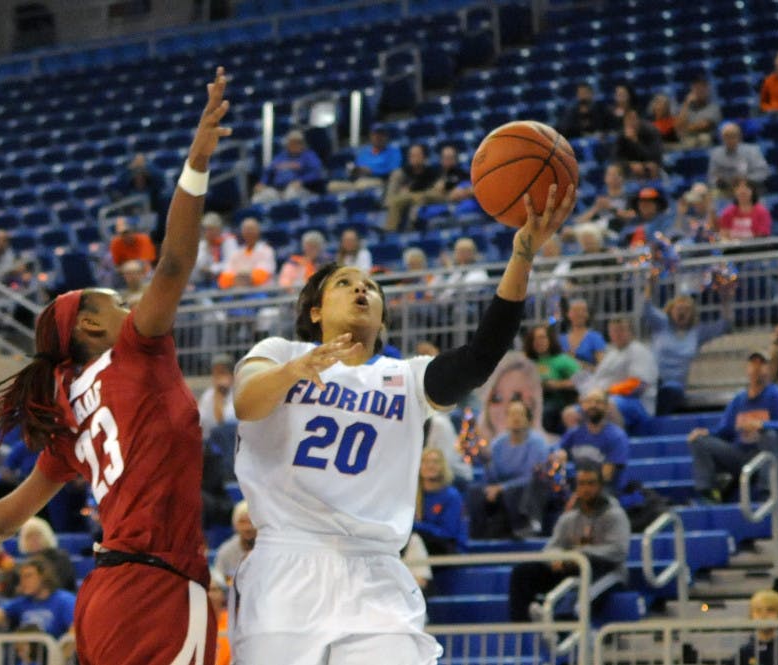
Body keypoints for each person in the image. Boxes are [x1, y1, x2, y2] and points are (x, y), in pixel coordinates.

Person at [0, 67, 231, 665]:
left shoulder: (69, 406)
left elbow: (8, 517)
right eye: (116, 302)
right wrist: (196, 165)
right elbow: (172, 265)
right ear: (92, 327)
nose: (131, 305)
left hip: (106, 597)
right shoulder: (134, 352)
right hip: (157, 587)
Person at [230, 180, 576, 663]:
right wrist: (295, 372)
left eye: (371, 287)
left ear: (383, 318)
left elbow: (478, 359)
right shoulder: (280, 353)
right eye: (345, 283)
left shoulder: (406, 378)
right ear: (315, 311)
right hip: (289, 562)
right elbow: (245, 404)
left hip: (375, 572)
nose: (361, 289)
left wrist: (521, 255)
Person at [507, 461, 630, 622]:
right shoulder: (568, 518)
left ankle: (562, 630)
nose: (586, 489)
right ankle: (522, 627)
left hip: (605, 571)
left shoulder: (615, 516)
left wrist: (579, 554)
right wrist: (558, 559)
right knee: (523, 572)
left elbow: (618, 551)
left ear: (600, 486)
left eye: (591, 483)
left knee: (580, 604)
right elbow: (551, 548)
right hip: (572, 567)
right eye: (582, 484)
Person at [687, 351, 778, 503]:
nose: (757, 368)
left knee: (769, 435)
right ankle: (708, 493)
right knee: (699, 440)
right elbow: (725, 431)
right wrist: (706, 432)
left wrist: (761, 425)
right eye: (753, 363)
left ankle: (766, 495)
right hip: (743, 455)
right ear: (747, 368)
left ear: (771, 369)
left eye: (762, 363)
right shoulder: (739, 400)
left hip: (774, 456)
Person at [643, 280, 733, 414]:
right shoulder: (662, 324)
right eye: (679, 309)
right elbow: (646, 308)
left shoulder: (697, 333)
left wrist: (725, 301)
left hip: (674, 385)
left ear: (692, 314)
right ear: (671, 310)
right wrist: (650, 284)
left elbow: (724, 325)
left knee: (670, 391)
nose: (682, 313)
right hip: (653, 379)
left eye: (686, 310)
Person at [467, 400, 549, 539]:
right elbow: (492, 475)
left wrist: (502, 487)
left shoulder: (537, 443)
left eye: (520, 414)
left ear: (528, 420)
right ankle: (475, 537)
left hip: (527, 490)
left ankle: (524, 528)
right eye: (511, 414)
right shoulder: (498, 443)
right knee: (475, 491)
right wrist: (485, 461)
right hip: (502, 490)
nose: (515, 418)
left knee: (515, 491)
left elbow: (532, 477)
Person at [579, 317, 658, 432]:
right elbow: (596, 380)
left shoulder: (639, 351)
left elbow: (639, 384)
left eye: (621, 330)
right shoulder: (610, 354)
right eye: (613, 331)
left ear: (631, 332)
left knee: (607, 405)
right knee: (571, 413)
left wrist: (606, 392)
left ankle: (617, 441)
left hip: (637, 404)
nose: (617, 334)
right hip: (602, 397)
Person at [0, 558, 76, 639]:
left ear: (44, 576)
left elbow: (75, 632)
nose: (23, 582)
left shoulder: (64, 600)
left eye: (28, 576)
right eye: (21, 577)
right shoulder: (22, 602)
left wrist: (59, 656)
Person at [557, 389, 630, 492]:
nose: (593, 405)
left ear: (607, 407)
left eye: (598, 402)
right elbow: (557, 457)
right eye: (588, 402)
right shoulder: (573, 433)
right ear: (582, 406)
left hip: (605, 491)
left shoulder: (617, 436)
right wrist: (560, 455)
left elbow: (606, 477)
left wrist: (577, 494)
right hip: (577, 487)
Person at [523, 324, 580, 433]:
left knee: (542, 412)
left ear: (550, 339)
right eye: (534, 339)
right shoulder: (527, 362)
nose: (538, 341)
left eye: (542, 337)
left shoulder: (562, 360)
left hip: (555, 402)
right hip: (530, 401)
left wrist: (557, 384)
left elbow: (583, 380)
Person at [477, 351, 545, 441]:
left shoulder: (548, 448)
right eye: (497, 398)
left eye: (516, 398)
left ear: (533, 403)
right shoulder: (473, 448)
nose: (505, 408)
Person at [413, 448, 465, 555]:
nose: (430, 466)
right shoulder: (413, 494)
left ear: (443, 467)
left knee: (414, 541)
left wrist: (416, 526)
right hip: (422, 545)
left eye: (435, 462)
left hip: (446, 548)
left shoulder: (451, 496)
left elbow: (448, 533)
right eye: (425, 462)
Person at [251, 130, 324, 204]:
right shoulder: (281, 156)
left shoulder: (309, 155)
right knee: (258, 198)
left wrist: (301, 181)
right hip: (277, 189)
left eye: (297, 143)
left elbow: (316, 173)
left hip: (301, 188)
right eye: (291, 143)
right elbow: (268, 172)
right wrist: (262, 183)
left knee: (291, 194)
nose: (294, 145)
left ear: (302, 144)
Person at [327, 124, 403, 193]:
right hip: (357, 181)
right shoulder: (363, 152)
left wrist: (371, 171)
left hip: (380, 181)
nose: (378, 137)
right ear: (371, 136)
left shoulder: (393, 151)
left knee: (362, 184)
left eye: (381, 135)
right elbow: (355, 169)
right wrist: (353, 170)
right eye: (375, 135)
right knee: (332, 186)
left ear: (386, 137)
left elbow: (394, 170)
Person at [384, 144, 442, 231]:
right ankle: (389, 232)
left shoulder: (432, 172)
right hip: (406, 199)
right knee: (394, 202)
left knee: (421, 199)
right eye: (412, 155)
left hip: (424, 198)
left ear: (424, 157)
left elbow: (437, 191)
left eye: (417, 155)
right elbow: (390, 198)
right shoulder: (402, 173)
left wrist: (410, 191)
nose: (414, 158)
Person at [731, 589, 778, 665]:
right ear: (751, 615)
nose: (763, 615)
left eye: (770, 610)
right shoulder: (745, 650)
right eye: (758, 610)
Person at [707, 123, 771, 196]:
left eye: (733, 136)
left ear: (739, 137)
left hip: (750, 187)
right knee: (712, 195)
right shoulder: (715, 154)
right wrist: (718, 182)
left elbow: (764, 173)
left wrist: (745, 179)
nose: (729, 139)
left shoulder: (752, 151)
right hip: (726, 190)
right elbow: (711, 177)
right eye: (726, 136)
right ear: (722, 138)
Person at [572, 163, 634, 238]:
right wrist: (596, 208)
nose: (613, 177)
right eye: (609, 174)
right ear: (605, 178)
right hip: (597, 227)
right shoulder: (600, 196)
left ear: (622, 178)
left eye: (615, 174)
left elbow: (631, 216)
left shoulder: (629, 196)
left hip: (615, 230)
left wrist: (610, 208)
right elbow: (579, 221)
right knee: (568, 232)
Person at [18, 516, 76, 592]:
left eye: (37, 536)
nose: (33, 541)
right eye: (29, 537)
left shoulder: (60, 558)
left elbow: (63, 583)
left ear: (46, 536)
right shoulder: (27, 562)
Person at [217, 217, 277, 289]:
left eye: (251, 229)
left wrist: (240, 278)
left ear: (258, 231)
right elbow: (224, 278)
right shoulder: (236, 253)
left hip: (261, 292)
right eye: (246, 229)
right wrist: (239, 279)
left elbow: (262, 275)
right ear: (242, 232)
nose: (248, 232)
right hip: (236, 292)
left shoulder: (266, 251)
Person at [212, 500, 256, 585]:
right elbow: (218, 581)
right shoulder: (226, 551)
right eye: (242, 522)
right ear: (235, 525)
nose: (247, 528)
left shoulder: (270, 549)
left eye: (251, 522)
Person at [615, 108, 663, 180]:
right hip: (629, 170)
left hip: (650, 167)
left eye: (634, 119)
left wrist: (635, 141)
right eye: (628, 120)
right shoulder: (621, 136)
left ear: (639, 120)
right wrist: (630, 165)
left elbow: (654, 156)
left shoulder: (650, 132)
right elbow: (615, 157)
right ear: (624, 122)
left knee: (652, 167)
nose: (631, 123)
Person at [560, 299, 607, 370]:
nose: (579, 314)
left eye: (583, 310)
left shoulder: (595, 338)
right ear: (568, 314)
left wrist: (579, 364)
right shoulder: (560, 339)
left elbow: (603, 368)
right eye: (575, 311)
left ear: (587, 314)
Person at [194, 212, 238, 287]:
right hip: (206, 280)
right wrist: (207, 247)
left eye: (211, 229)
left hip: (226, 278)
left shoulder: (228, 241)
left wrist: (212, 269)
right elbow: (200, 265)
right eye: (206, 230)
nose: (208, 232)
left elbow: (231, 263)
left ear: (219, 229)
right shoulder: (203, 244)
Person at [675, 77, 722, 148]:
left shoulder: (714, 108)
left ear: (707, 90)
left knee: (704, 138)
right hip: (687, 138)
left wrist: (685, 129)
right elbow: (678, 126)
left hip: (706, 137)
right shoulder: (684, 107)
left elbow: (704, 126)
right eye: (697, 88)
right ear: (692, 91)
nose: (700, 91)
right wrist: (686, 104)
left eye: (703, 88)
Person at [198, 353, 236, 439]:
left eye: (222, 372)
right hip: (209, 443)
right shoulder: (208, 395)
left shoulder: (238, 393)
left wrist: (219, 395)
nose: (218, 377)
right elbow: (200, 422)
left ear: (232, 375)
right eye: (215, 373)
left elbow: (223, 422)